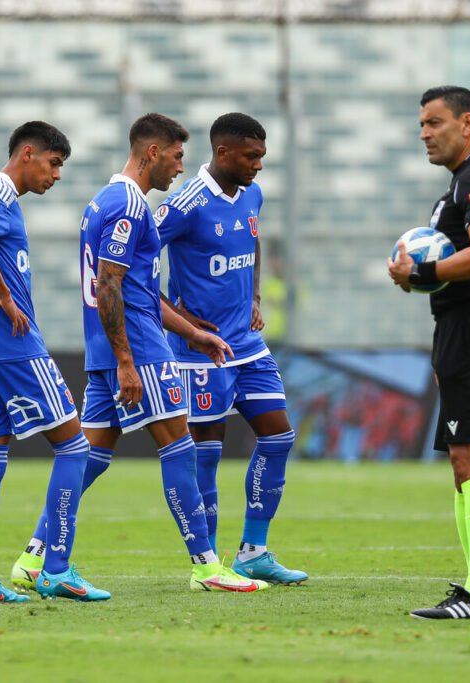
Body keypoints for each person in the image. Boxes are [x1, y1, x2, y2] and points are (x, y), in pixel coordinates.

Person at [15, 112, 265, 594]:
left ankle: (36, 554)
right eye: (175, 157)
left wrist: (194, 332)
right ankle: (207, 566)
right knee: (180, 449)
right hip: (139, 353)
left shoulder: (103, 201)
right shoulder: (129, 203)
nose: (178, 168)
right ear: (152, 153)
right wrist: (130, 361)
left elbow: (139, 291)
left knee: (88, 457)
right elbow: (110, 284)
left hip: (106, 350)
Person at [0, 121, 106, 604]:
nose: (56, 175)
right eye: (53, 164)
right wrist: (4, 296)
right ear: (27, 153)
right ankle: (55, 569)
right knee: (74, 448)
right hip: (15, 347)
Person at [154, 112, 306, 585]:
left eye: (262, 156)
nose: (259, 165)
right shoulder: (184, 204)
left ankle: (253, 551)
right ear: (223, 153)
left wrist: (255, 296)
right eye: (251, 156)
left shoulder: (252, 194)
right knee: (208, 455)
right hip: (201, 353)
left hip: (248, 344)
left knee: (279, 437)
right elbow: (133, 265)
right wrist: (178, 321)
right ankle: (211, 565)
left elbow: (253, 242)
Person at [389, 86, 470, 619]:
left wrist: (422, 272)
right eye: (421, 123)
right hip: (464, 330)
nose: (424, 133)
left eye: (434, 122)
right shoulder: (464, 182)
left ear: (467, 124)